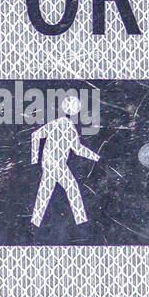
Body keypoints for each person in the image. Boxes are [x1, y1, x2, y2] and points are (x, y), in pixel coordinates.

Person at [30, 95, 99, 226]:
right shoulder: (60, 123)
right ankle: (81, 221)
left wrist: (96, 158)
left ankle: (35, 222)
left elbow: (77, 149)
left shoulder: (68, 126)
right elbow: (35, 135)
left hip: (55, 164)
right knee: (71, 188)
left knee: (45, 192)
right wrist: (34, 160)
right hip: (54, 164)